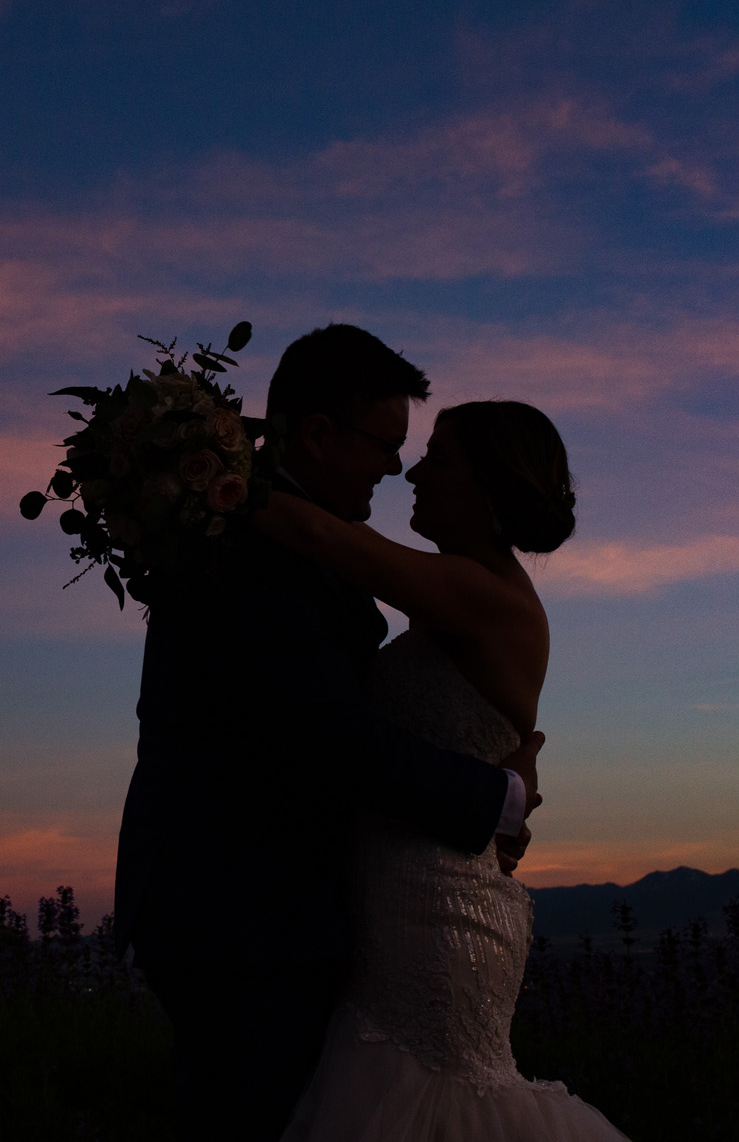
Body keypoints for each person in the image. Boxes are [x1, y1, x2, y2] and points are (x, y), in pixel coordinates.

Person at [112, 325, 543, 1142]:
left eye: (420, 454)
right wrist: (500, 796)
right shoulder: (252, 545)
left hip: (287, 914)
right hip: (248, 921)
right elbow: (331, 739)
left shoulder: (258, 532)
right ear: (317, 434)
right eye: (386, 444)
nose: (396, 466)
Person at [259, 399, 628, 1141]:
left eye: (440, 457)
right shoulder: (454, 598)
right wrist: (508, 795)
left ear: (489, 487)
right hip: (397, 904)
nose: (414, 471)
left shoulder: (485, 598)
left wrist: (193, 458)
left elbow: (312, 530)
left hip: (439, 924)